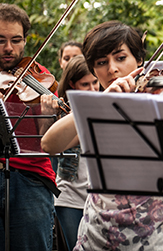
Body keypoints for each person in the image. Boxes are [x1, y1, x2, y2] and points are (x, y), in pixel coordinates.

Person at [41, 21, 163, 251]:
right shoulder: (94, 108)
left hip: (154, 235)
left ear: (139, 60)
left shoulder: (162, 101)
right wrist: (99, 101)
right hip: (99, 234)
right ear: (93, 69)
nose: (112, 69)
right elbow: (49, 144)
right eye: (101, 63)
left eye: (120, 58)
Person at [0, 3, 58, 250]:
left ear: (25, 41)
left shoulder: (38, 77)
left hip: (30, 178)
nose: (8, 49)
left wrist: (47, 114)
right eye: (0, 40)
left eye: (16, 40)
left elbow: (48, 142)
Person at [41, 55, 99, 250]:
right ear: (72, 85)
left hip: (100, 199)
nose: (92, 89)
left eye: (95, 82)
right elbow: (49, 146)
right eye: (85, 84)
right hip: (71, 198)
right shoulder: (65, 115)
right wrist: (49, 115)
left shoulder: (105, 108)